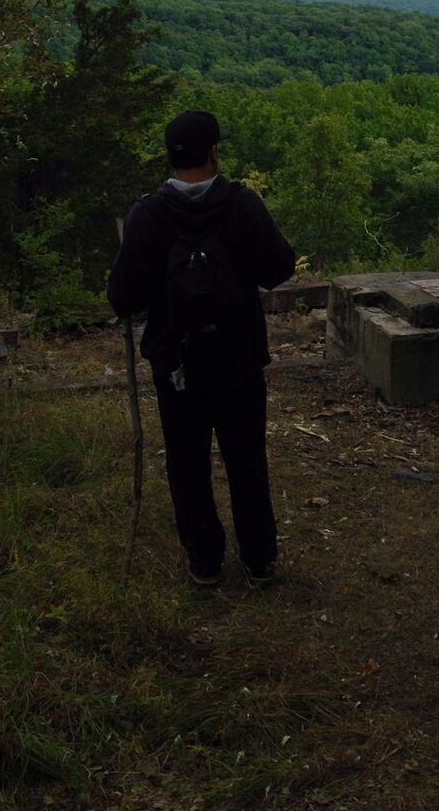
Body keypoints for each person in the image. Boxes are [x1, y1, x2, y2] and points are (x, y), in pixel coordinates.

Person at [107, 109, 295, 587]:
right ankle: (258, 558)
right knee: (246, 457)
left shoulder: (147, 215)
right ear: (213, 152)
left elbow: (123, 298)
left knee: (186, 461)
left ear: (172, 157)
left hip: (177, 364)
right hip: (238, 359)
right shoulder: (242, 204)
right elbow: (279, 268)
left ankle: (204, 560)